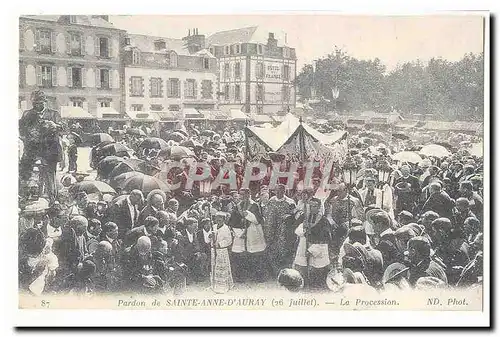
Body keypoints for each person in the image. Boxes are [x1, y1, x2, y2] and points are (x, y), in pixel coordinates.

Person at [19, 90, 63, 203]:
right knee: (28, 175)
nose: (38, 105)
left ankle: (52, 199)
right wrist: (28, 136)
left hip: (50, 151)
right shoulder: (27, 114)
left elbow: (65, 129)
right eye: (35, 103)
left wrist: (55, 126)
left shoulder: (54, 114)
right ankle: (29, 198)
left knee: (49, 175)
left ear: (45, 102)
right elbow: (21, 130)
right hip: (32, 150)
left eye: (40, 102)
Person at [293, 197, 332, 290]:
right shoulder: (305, 218)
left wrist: (311, 250)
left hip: (318, 251)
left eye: (314, 206)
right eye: (310, 206)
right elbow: (296, 229)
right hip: (304, 248)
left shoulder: (323, 221)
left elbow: (325, 240)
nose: (312, 208)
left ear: (319, 207)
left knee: (318, 277)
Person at [265, 184, 296, 277]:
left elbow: (295, 217)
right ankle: (274, 272)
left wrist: (289, 217)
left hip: (284, 232)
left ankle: (284, 274)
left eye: (280, 191)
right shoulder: (271, 201)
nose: (278, 193)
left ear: (284, 192)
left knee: (283, 251)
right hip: (271, 231)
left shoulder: (290, 202)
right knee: (272, 251)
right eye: (276, 191)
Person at [210, 212, 234, 294]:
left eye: (220, 219)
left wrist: (219, 244)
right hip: (214, 251)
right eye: (217, 219)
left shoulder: (226, 228)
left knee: (222, 269)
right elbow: (209, 238)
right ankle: (214, 286)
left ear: (224, 220)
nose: (218, 221)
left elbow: (229, 240)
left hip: (222, 251)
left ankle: (223, 287)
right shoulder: (213, 227)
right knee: (214, 267)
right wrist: (211, 236)